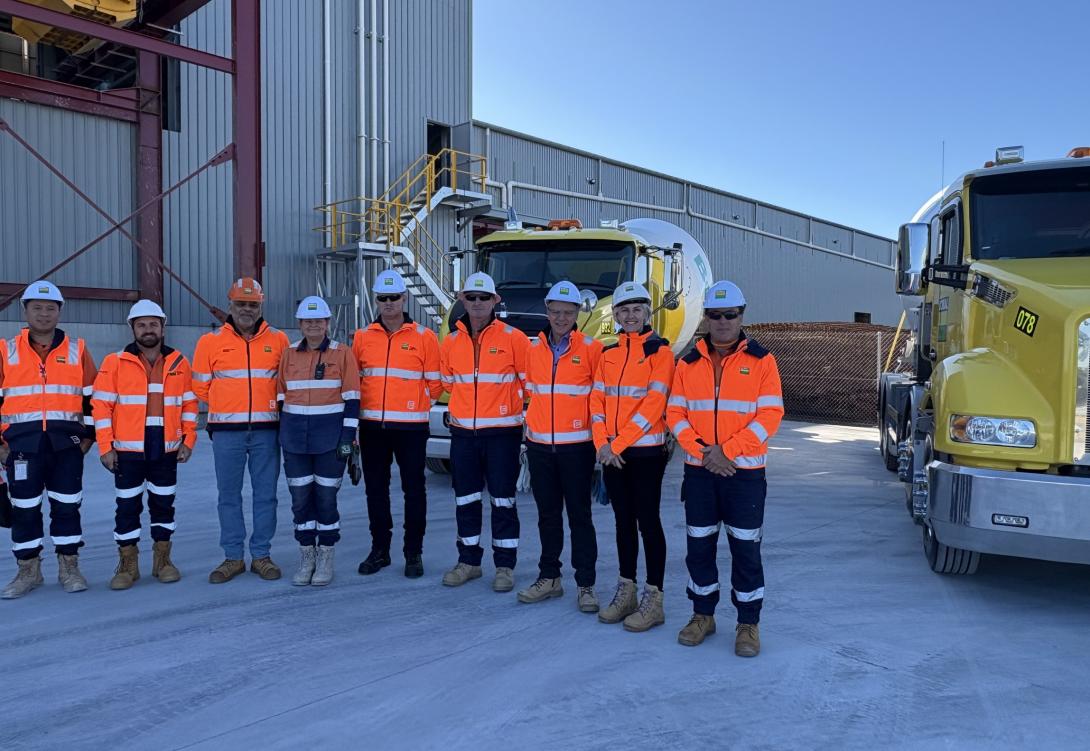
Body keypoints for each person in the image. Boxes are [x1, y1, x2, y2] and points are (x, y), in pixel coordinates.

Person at [667, 280, 783, 656]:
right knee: (699, 547)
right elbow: (675, 414)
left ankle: (748, 623)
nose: (722, 322)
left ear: (741, 316)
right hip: (700, 472)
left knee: (745, 550)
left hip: (743, 474)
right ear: (706, 318)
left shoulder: (763, 361)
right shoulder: (688, 363)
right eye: (714, 315)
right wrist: (705, 453)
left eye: (729, 315)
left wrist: (727, 452)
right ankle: (702, 615)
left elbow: (770, 415)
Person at [0, 281, 97, 599]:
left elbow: (93, 400)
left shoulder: (77, 350)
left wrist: (88, 438)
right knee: (24, 510)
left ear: (60, 312)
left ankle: (69, 567)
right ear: (25, 311)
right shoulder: (6, 351)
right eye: (37, 308)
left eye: (50, 308)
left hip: (65, 447)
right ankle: (28, 570)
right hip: (21, 449)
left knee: (67, 507)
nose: (44, 314)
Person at [92, 299, 197, 590]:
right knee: (127, 507)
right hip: (127, 452)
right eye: (141, 325)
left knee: (163, 505)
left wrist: (188, 439)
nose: (148, 329)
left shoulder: (179, 362)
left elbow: (189, 404)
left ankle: (163, 561)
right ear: (132, 328)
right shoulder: (114, 362)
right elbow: (100, 407)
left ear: (162, 328)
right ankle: (128, 565)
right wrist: (105, 447)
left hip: (166, 449)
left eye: (153, 324)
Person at [192, 278, 290, 583]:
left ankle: (261, 555)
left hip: (266, 432)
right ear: (230, 304)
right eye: (241, 303)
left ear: (261, 305)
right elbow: (200, 386)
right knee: (228, 496)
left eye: (252, 304)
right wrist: (227, 405)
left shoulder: (279, 340)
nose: (247, 309)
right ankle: (233, 557)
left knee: (266, 496)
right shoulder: (209, 342)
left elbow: (285, 383)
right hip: (226, 432)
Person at [590, 282, 674, 632]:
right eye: (623, 310)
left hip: (645, 453)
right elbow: (596, 401)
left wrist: (618, 444)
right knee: (622, 522)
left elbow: (654, 405)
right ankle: (627, 589)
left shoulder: (660, 352)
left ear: (647, 312)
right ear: (615, 314)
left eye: (637, 309)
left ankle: (654, 599)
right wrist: (602, 444)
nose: (630, 316)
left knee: (647, 522)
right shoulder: (608, 354)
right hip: (613, 455)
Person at [439, 271, 530, 592]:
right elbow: (447, 384)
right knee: (465, 499)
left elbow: (529, 386)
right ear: (462, 300)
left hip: (502, 435)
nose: (477, 303)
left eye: (484, 298)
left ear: (494, 301)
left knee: (503, 501)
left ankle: (504, 566)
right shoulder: (451, 341)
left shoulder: (515, 339)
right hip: (464, 434)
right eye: (471, 297)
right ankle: (469, 562)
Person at [517, 281, 603, 612]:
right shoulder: (533, 350)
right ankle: (549, 577)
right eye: (556, 312)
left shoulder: (592, 350)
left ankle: (586, 585)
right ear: (547, 310)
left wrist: (600, 443)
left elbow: (599, 400)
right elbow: (530, 394)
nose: (561, 318)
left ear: (578, 313)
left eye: (568, 312)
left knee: (580, 517)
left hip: (577, 448)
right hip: (540, 448)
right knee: (547, 516)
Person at [352, 270, 441, 579]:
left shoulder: (425, 337)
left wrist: (415, 406)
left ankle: (413, 552)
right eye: (382, 298)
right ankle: (380, 549)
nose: (388, 303)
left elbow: (435, 384)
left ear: (404, 298)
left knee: (414, 490)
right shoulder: (362, 337)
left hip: (411, 428)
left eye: (394, 297)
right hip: (372, 427)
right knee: (376, 490)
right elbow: (355, 382)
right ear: (376, 300)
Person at [277, 296, 360, 586]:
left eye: (318, 321)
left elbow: (352, 399)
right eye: (307, 321)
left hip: (330, 442)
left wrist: (348, 440)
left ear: (327, 323)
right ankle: (306, 555)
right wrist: (283, 434)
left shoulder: (342, 353)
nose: (313, 325)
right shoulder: (288, 354)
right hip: (295, 442)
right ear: (300, 324)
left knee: (325, 498)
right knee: (300, 500)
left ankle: (325, 554)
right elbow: (281, 396)